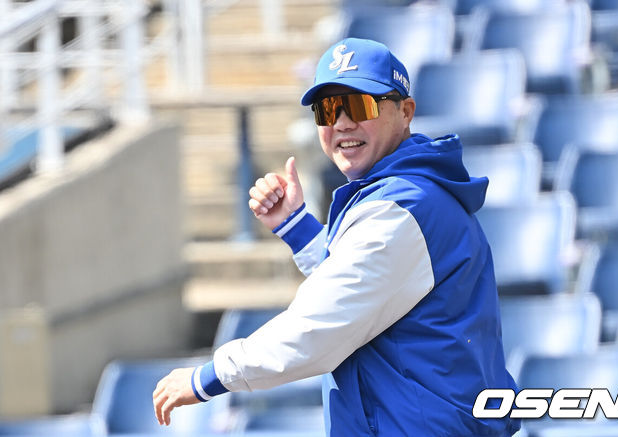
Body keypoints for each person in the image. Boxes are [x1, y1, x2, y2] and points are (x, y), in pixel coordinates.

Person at [153, 38, 520, 436]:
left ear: (405, 112)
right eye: (328, 109)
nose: (342, 123)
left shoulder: (404, 205)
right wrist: (297, 227)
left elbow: (317, 328)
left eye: (360, 105)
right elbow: (364, 290)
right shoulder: (400, 193)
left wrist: (207, 378)